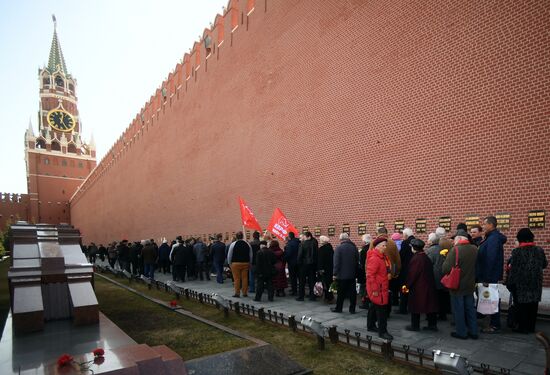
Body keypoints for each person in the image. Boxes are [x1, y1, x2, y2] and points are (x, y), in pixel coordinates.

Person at [506, 228, 547, 333]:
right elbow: (544, 264)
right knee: (533, 305)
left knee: (522, 306)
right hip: (535, 283)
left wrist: (510, 283)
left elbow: (514, 270)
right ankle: (531, 327)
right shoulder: (539, 250)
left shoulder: (517, 252)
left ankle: (522, 327)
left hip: (521, 283)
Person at [442, 229, 479, 339]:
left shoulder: (455, 250)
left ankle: (461, 332)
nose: (453, 242)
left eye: (454, 239)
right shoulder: (475, 249)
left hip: (457, 285)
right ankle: (473, 331)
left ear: (458, 239)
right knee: (470, 309)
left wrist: (445, 258)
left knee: (458, 310)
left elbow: (445, 269)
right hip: (470, 283)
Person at [476, 216, 507, 333]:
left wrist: (487, 278)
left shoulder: (493, 238)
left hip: (489, 276)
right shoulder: (491, 237)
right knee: (489, 298)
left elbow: (491, 258)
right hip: (488, 275)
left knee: (492, 299)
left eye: (484, 224)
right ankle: (492, 322)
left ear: (491, 225)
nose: (483, 226)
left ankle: (494, 325)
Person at [405, 238, 438, 331]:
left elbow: (413, 274)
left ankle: (415, 326)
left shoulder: (417, 258)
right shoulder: (424, 256)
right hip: (428, 284)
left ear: (414, 248)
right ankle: (432, 325)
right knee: (430, 305)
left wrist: (407, 285)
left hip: (419, 286)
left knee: (415, 306)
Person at [370, 227, 401, 315]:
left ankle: (377, 313)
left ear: (378, 233)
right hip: (389, 273)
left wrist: (367, 272)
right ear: (386, 233)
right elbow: (398, 260)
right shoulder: (392, 243)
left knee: (377, 293)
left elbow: (368, 259)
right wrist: (397, 272)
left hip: (377, 273)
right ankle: (387, 312)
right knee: (387, 292)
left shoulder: (374, 243)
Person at [366, 237, 393, 340]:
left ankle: (371, 325)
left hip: (382, 286)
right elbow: (370, 275)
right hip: (378, 288)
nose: (385, 247)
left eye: (386, 245)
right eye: (383, 245)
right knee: (382, 311)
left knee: (374, 307)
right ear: (377, 247)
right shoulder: (375, 258)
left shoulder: (382, 257)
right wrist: (375, 290)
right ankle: (383, 331)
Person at [331, 233, 359, 314]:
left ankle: (339, 308)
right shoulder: (354, 248)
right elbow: (357, 260)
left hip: (342, 275)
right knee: (352, 293)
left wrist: (334, 274)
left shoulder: (338, 248)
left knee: (341, 293)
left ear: (341, 240)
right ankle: (352, 309)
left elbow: (336, 263)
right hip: (352, 274)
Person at [425, 232, 449, 320]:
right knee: (441, 296)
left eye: (428, 239)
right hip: (442, 275)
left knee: (434, 297)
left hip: (434, 277)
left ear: (431, 241)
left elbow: (428, 264)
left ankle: (434, 315)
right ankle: (443, 314)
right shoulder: (441, 248)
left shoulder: (430, 251)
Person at [227, 231, 253, 298]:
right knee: (245, 278)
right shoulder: (247, 244)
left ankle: (237, 293)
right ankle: (244, 293)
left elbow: (229, 254)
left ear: (236, 237)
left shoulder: (233, 244)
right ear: (242, 236)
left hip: (235, 263)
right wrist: (250, 262)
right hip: (245, 263)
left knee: (236, 279)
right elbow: (251, 255)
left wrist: (229, 263)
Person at [396, 227, 415, 314]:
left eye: (403, 235)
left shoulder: (405, 242)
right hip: (414, 269)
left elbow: (401, 256)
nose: (403, 237)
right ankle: (411, 306)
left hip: (406, 270)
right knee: (412, 289)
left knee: (404, 288)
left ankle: (403, 308)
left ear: (406, 235)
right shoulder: (415, 241)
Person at [296, 231, 318, 301]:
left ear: (307, 236)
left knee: (302, 281)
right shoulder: (314, 244)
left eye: (304, 236)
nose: (303, 238)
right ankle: (312, 296)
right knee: (312, 281)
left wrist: (298, 263)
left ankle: (301, 296)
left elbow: (300, 255)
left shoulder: (302, 244)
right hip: (312, 264)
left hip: (303, 265)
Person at [318, 235, 334, 303]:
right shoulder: (331, 248)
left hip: (324, 269)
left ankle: (328, 297)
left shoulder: (322, 249)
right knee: (329, 283)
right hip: (330, 268)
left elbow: (320, 260)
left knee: (325, 283)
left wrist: (320, 268)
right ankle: (331, 296)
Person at [284, 232, 300, 296]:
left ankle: (294, 290)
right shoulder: (299, 242)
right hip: (298, 262)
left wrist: (284, 258)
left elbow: (288, 253)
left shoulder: (290, 244)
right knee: (298, 276)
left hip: (291, 262)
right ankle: (299, 290)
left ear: (290, 237)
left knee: (293, 277)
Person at [358, 234, 371, 309]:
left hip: (364, 272)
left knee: (364, 288)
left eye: (362, 241)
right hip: (369, 271)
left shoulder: (364, 250)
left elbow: (362, 262)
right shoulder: (371, 248)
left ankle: (365, 303)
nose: (361, 242)